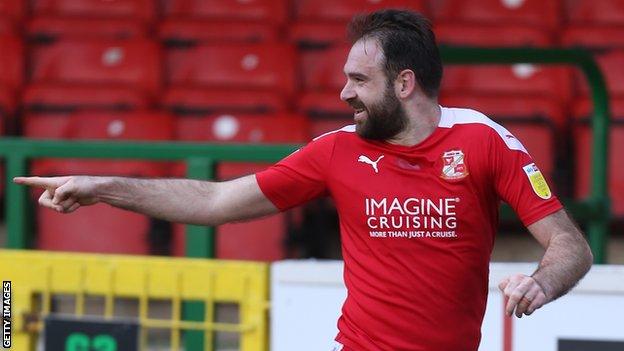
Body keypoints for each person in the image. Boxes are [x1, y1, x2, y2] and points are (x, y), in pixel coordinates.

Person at [14, 9, 593, 351]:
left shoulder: (482, 140)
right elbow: (217, 200)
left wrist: (543, 282)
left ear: (405, 82)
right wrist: (104, 187)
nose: (344, 93)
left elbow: (570, 244)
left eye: (359, 80)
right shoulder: (335, 151)